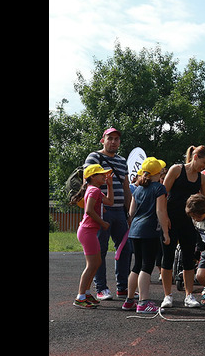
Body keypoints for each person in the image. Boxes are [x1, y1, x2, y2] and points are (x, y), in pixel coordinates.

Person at [159, 145, 205, 308]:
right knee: (167, 258)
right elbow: (162, 194)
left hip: (190, 223)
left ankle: (189, 295)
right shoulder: (176, 170)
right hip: (171, 220)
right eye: (204, 163)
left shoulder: (201, 178)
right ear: (195, 157)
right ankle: (167, 295)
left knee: (188, 259)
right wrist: (164, 217)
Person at [83, 127, 132, 302]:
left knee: (125, 248)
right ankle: (101, 288)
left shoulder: (121, 160)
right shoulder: (94, 157)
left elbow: (126, 188)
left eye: (116, 139)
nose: (113, 142)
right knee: (100, 250)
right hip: (101, 210)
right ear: (102, 140)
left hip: (119, 210)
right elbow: (87, 182)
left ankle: (123, 287)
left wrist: (130, 211)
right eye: (110, 138)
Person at [123, 157, 170, 314]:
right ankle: (143, 302)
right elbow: (160, 211)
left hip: (135, 230)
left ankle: (129, 300)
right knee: (147, 266)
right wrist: (165, 232)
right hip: (149, 231)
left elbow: (131, 212)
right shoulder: (159, 189)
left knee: (137, 265)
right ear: (159, 173)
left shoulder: (138, 189)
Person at [73, 164, 114, 308]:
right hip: (87, 231)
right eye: (101, 174)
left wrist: (110, 185)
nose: (104, 176)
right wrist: (103, 223)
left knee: (96, 263)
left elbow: (110, 202)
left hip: (89, 231)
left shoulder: (96, 190)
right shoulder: (94, 190)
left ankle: (87, 293)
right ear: (92, 177)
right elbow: (89, 210)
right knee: (92, 265)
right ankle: (80, 297)